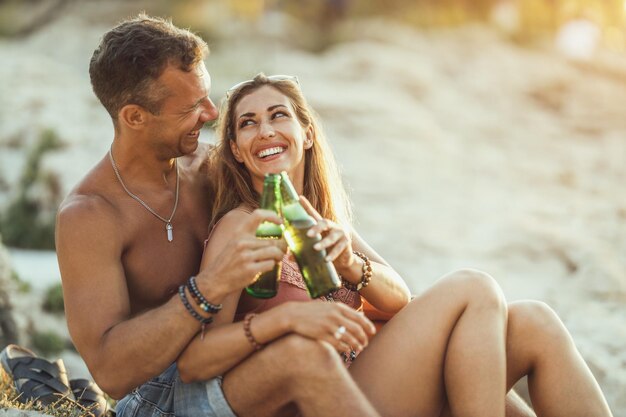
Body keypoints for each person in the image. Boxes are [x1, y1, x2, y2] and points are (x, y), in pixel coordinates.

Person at [174, 72, 614, 417]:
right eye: (247, 124)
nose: (265, 130)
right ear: (234, 149)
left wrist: (349, 262)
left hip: (383, 378)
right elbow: (199, 360)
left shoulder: (324, 221)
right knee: (473, 287)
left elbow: (400, 299)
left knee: (535, 320)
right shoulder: (243, 225)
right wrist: (285, 320)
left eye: (278, 115)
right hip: (327, 396)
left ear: (307, 134)